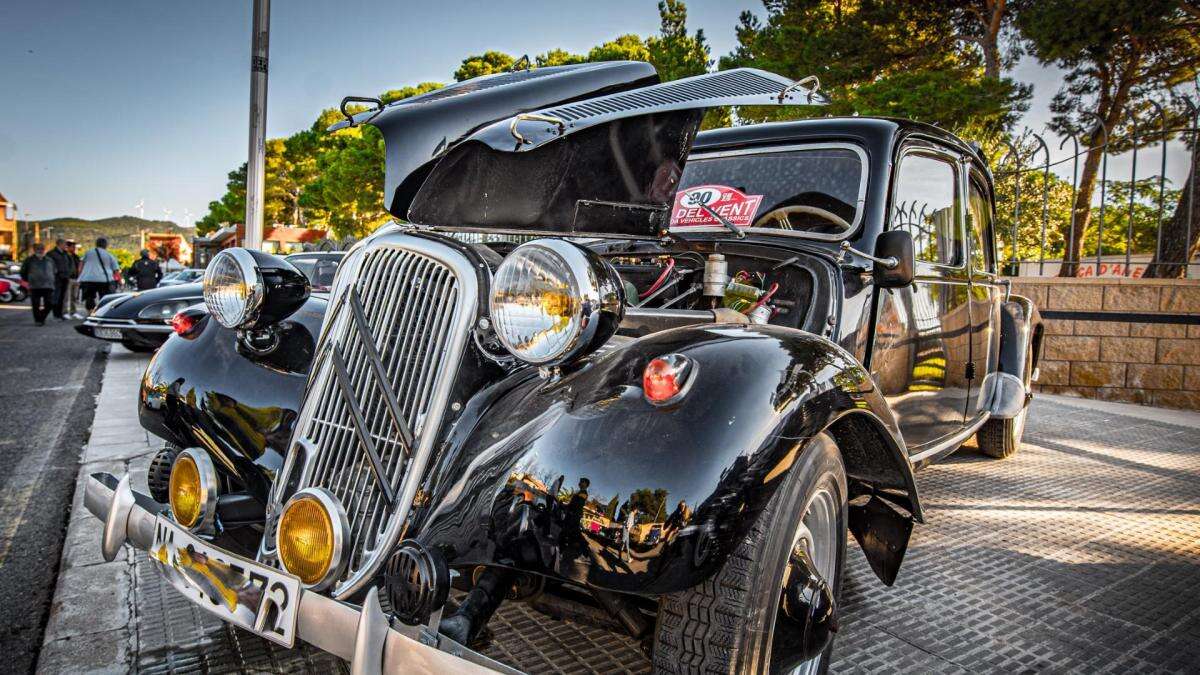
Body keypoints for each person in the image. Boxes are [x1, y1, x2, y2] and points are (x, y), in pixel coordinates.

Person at [20, 244, 57, 325]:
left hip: (48, 285)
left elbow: (54, 271)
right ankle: (38, 320)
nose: (40, 250)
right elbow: (23, 272)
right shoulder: (29, 260)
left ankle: (42, 317)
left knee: (49, 304)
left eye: (42, 249)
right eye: (38, 249)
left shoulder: (49, 260)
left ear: (45, 250)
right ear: (34, 250)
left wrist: (52, 279)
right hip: (35, 285)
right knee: (35, 304)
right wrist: (29, 279)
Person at [79, 237, 120, 311]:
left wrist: (80, 275)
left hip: (88, 279)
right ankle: (101, 311)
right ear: (106, 245)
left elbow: (81, 264)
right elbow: (116, 270)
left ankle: (90, 311)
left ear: (96, 244)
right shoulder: (109, 255)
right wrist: (119, 280)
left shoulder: (88, 252)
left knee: (89, 297)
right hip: (103, 280)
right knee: (104, 297)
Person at [46, 238, 72, 320]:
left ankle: (60, 314)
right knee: (56, 296)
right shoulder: (51, 254)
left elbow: (69, 264)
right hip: (56, 278)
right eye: (65, 244)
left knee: (62, 297)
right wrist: (55, 273)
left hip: (65, 277)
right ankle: (56, 314)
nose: (66, 246)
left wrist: (69, 273)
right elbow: (48, 265)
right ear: (59, 244)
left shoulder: (65, 254)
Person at [64, 240, 83, 319]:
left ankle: (73, 312)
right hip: (68, 279)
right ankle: (64, 312)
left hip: (76, 279)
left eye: (74, 247)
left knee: (74, 297)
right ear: (68, 247)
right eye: (72, 247)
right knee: (66, 297)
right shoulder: (64, 256)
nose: (74, 248)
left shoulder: (76, 256)